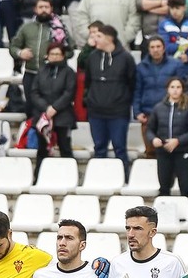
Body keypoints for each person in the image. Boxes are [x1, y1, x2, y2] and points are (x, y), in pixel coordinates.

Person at [83, 24, 136, 177]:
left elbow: (132, 82)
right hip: (96, 112)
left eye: (98, 36)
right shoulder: (92, 57)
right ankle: (100, 178)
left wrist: (123, 101)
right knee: (99, 147)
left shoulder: (126, 58)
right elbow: (87, 81)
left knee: (119, 147)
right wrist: (90, 100)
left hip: (118, 112)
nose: (94, 39)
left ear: (109, 38)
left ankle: (123, 178)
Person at [145, 76, 188, 198]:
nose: (175, 90)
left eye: (178, 87)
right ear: (167, 89)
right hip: (163, 152)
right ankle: (162, 213)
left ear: (182, 89)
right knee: (164, 186)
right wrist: (153, 139)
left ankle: (187, 214)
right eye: (172, 87)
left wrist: (178, 141)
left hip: (182, 151)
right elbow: (149, 129)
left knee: (184, 187)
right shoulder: (158, 108)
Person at [30, 43, 77, 177]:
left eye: (58, 54)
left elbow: (69, 93)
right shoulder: (41, 71)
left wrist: (55, 108)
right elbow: (34, 92)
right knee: (42, 150)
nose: (55, 57)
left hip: (63, 116)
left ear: (63, 56)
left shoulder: (68, 72)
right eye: (52, 54)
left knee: (65, 148)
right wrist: (46, 108)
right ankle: (39, 177)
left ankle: (70, 176)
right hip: (43, 116)